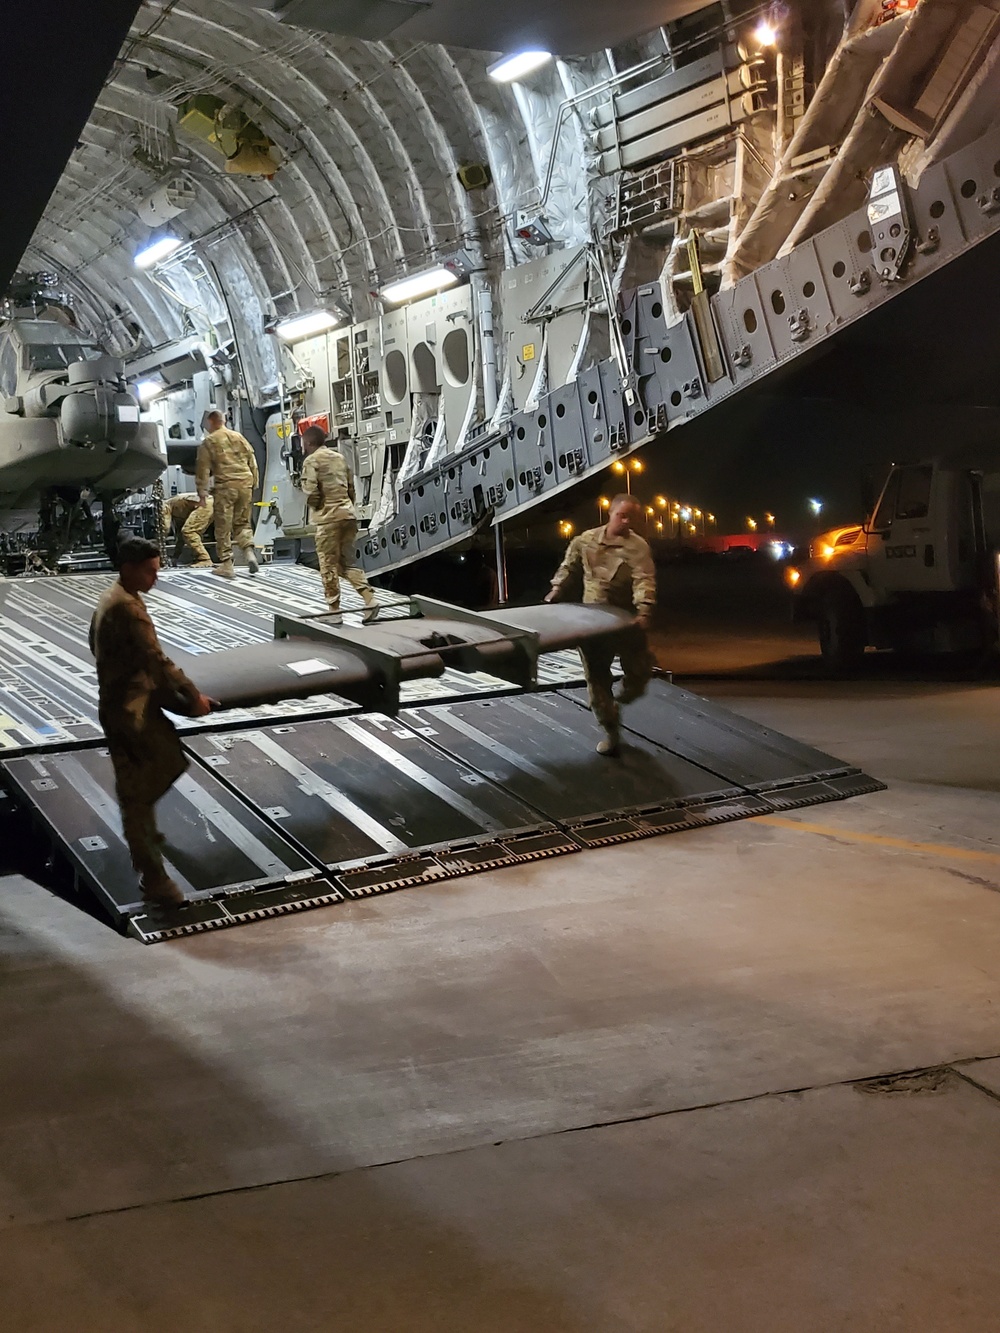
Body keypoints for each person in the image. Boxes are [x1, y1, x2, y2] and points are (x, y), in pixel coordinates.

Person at [89, 537, 214, 909]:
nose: (155, 579)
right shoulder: (128, 609)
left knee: (161, 768)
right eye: (150, 571)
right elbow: (157, 660)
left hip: (125, 704)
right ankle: (155, 879)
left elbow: (96, 647)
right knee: (140, 792)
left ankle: (144, 836)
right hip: (131, 714)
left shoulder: (111, 598)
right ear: (129, 568)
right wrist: (193, 698)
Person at [545, 492, 657, 756]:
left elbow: (644, 579)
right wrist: (556, 590)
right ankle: (610, 729)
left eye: (632, 517)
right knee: (596, 680)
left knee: (640, 672)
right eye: (622, 515)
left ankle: (626, 694)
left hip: (625, 621)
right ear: (611, 513)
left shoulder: (637, 547)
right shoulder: (586, 541)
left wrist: (644, 610)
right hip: (593, 622)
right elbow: (568, 565)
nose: (627, 521)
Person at [300, 424, 379, 623]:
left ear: (308, 442)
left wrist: (317, 507)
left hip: (328, 519)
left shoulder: (311, 461)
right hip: (348, 516)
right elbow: (351, 488)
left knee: (328, 564)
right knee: (346, 563)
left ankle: (334, 611)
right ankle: (370, 600)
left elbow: (311, 492)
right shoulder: (340, 458)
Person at [195, 410, 260, 579]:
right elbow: (252, 460)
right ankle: (249, 553)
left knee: (223, 526)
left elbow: (203, 470)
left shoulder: (209, 441)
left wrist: (202, 494)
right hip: (245, 484)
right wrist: (254, 483)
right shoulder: (238, 436)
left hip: (226, 487)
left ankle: (226, 564)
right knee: (243, 523)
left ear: (211, 422)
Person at [162, 491, 214, 568]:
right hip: (210, 502)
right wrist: (175, 557)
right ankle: (198, 558)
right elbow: (180, 537)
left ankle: (204, 559)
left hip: (204, 504)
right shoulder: (179, 509)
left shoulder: (165, 505)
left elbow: (165, 528)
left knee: (189, 531)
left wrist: (158, 543)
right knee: (189, 532)